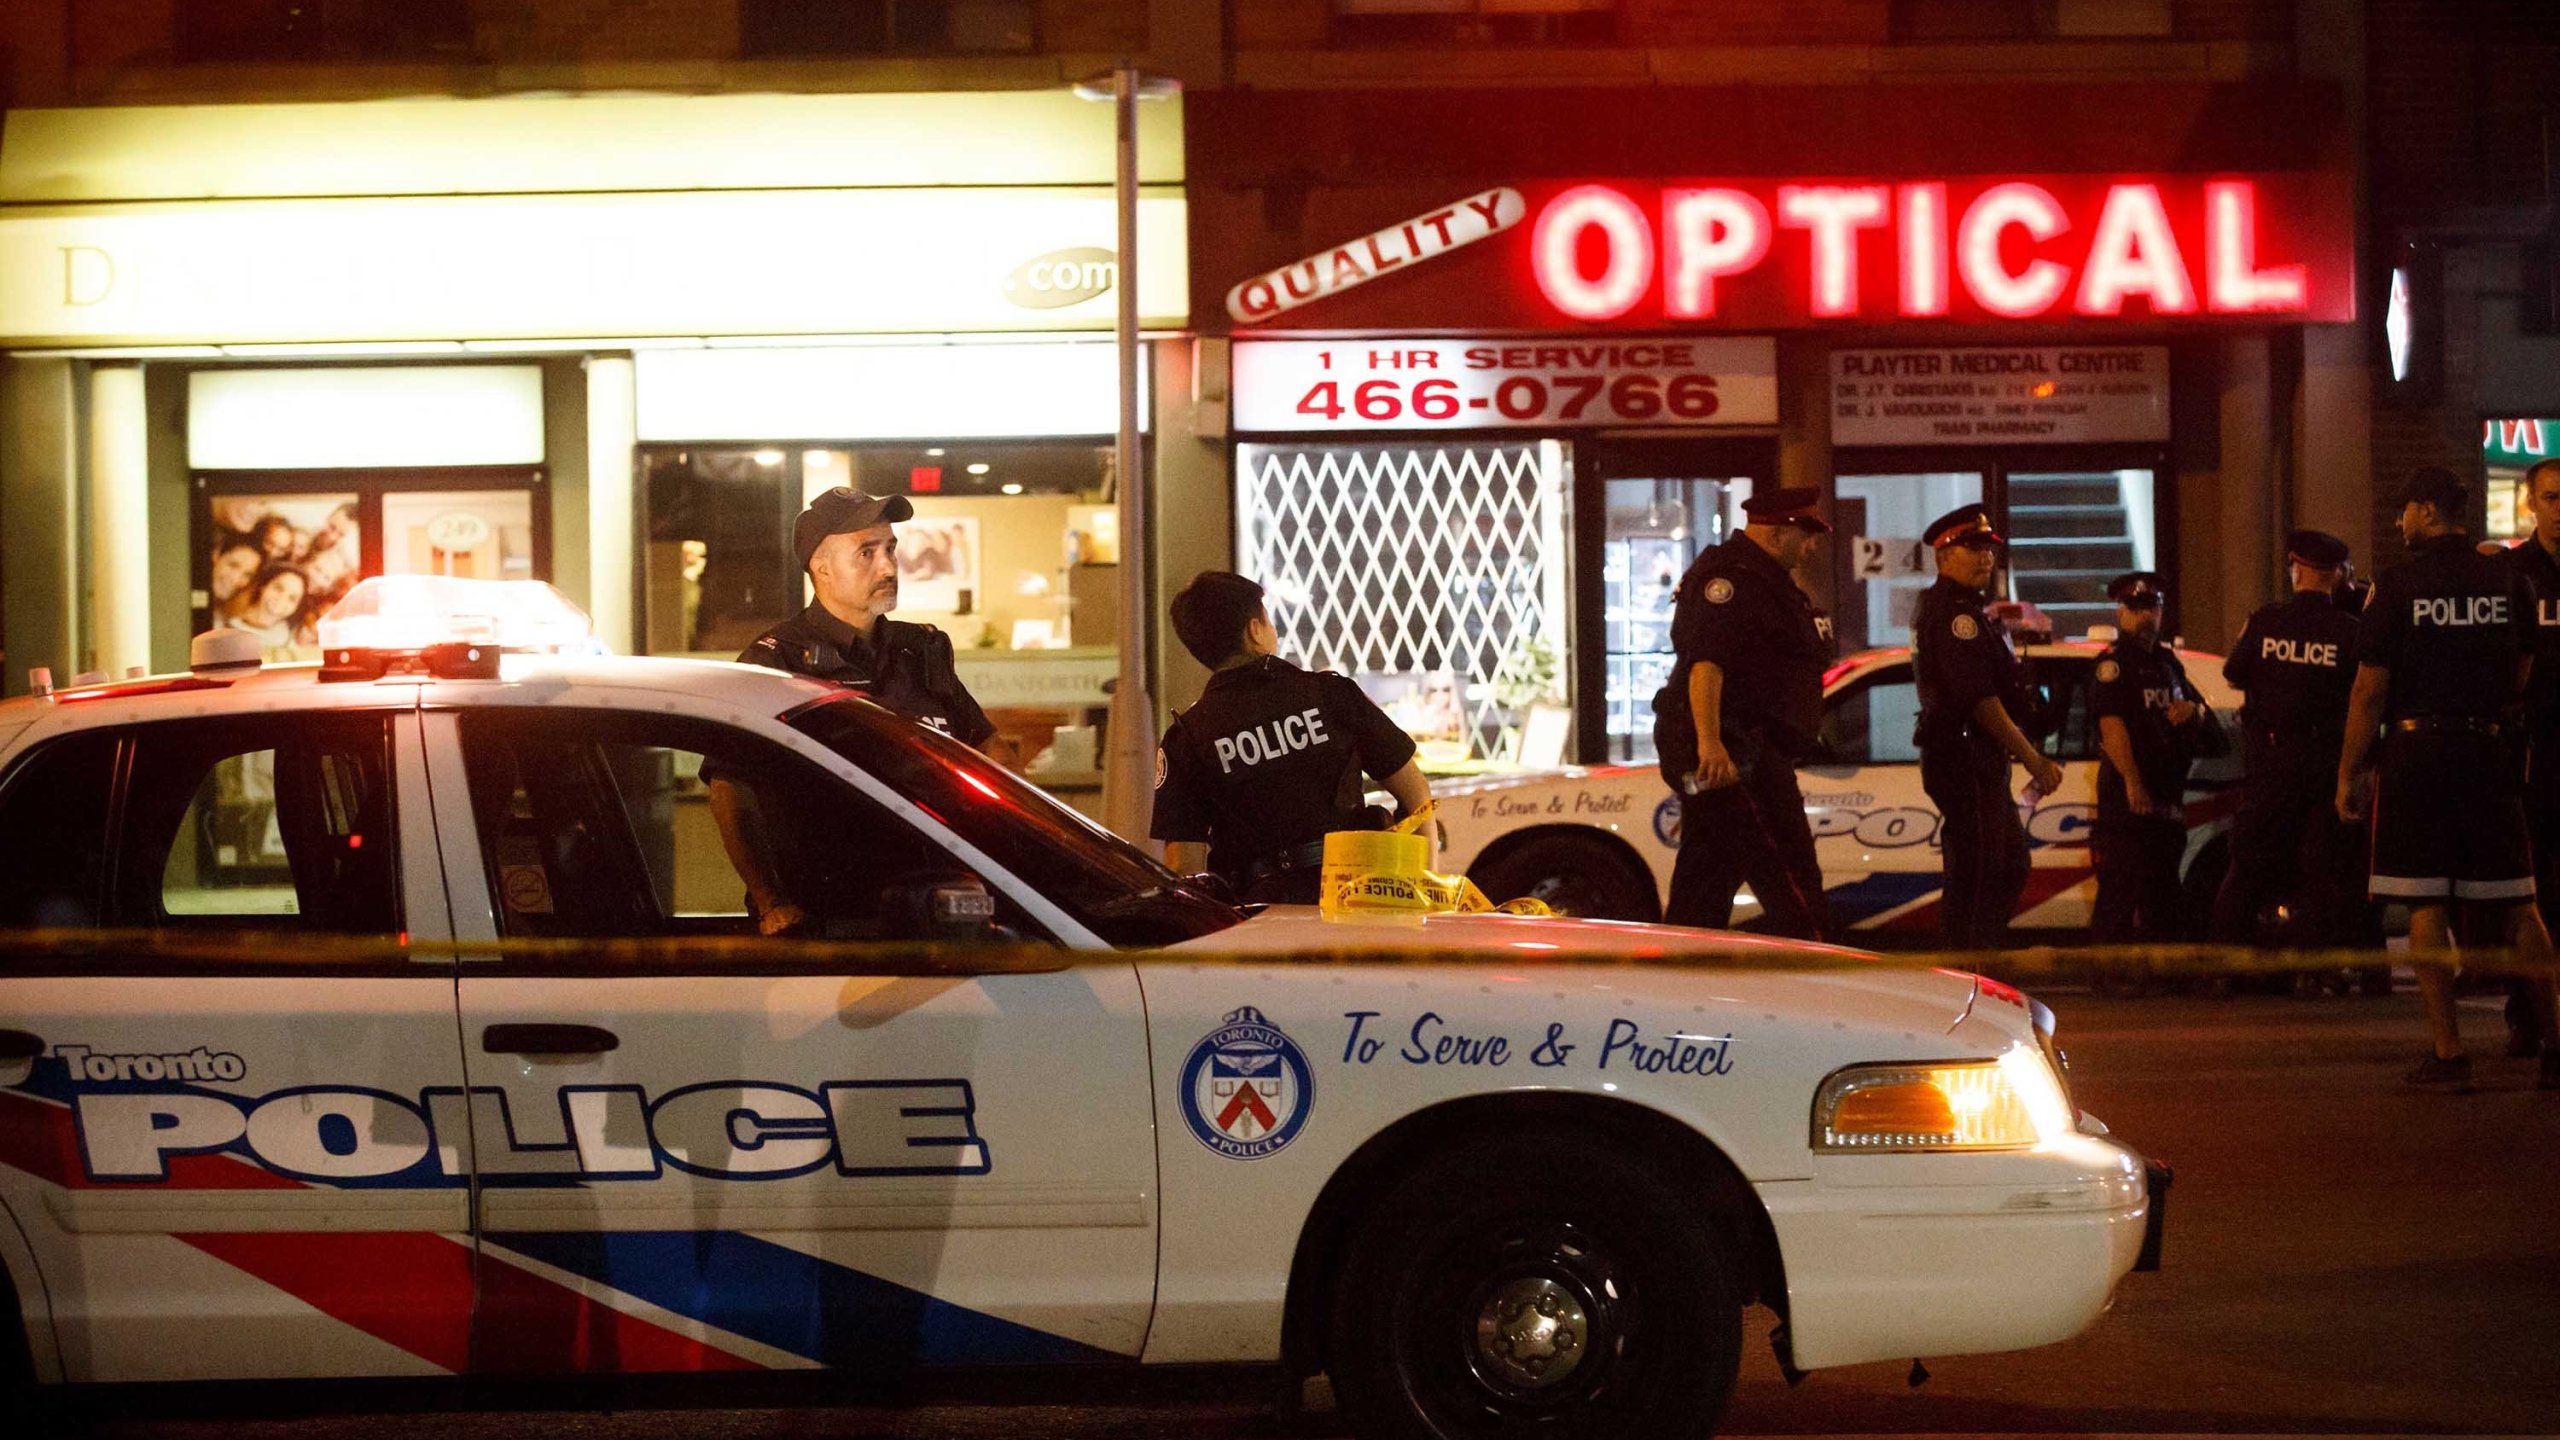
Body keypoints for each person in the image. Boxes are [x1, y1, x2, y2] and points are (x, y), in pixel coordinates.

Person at [2334, 466, 2560, 1090]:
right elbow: (2523, 664)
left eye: (2406, 509)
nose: (2400, 521)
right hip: (2490, 753)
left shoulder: (2399, 586)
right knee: (2519, 902)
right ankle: (2558, 1048)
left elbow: (2369, 689)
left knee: (2426, 901)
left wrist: (2350, 771)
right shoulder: (2506, 578)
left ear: (2429, 511)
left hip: (2419, 756)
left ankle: (2449, 1052)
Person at [717, 487, 995, 935]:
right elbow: (731, 791)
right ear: (820, 567)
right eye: (866, 552)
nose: (887, 567)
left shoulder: (919, 650)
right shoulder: (777, 660)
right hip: (828, 922)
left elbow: (987, 752)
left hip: (931, 912)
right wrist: (773, 903)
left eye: (889, 549)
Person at [1152, 571, 1433, 904]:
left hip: (1260, 916)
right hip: (1353, 898)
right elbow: (1417, 795)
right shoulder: (1331, 694)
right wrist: (1426, 889)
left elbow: (1185, 868)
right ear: (1254, 631)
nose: (1274, 631)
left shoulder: (1185, 737)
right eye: (1269, 621)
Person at [1652, 487, 1839, 939]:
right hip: (1740, 754)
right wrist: (1711, 743)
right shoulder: (1734, 579)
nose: (1811, 546)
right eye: (1806, 536)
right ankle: (1821, 979)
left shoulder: (1765, 578)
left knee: (1707, 877)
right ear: (1779, 534)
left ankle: (1680, 974)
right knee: (1790, 873)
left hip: (1747, 748)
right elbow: (1706, 665)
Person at [2211, 531, 2373, 968]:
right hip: (2326, 764)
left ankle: (2223, 967)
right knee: (2322, 871)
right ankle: (2315, 970)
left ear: (2295, 570)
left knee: (2248, 864)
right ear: (2337, 576)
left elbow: (2234, 674)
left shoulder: (2265, 622)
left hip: (2271, 762)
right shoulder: (2350, 632)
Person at [1911, 505, 2065, 951]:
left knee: (2007, 866)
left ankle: (1980, 963)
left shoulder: (1970, 611)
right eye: (1972, 548)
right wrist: (2033, 758)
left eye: (1988, 550)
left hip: (1979, 761)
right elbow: (1979, 700)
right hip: (1963, 759)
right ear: (1943, 557)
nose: (1984, 558)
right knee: (1977, 875)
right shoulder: (1952, 614)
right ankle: (1966, 973)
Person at [2089, 571, 2211, 954]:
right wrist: (2132, 782)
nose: (2145, 615)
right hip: (2130, 800)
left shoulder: (2167, 663)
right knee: (2120, 889)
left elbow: (2200, 707)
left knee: (2163, 890)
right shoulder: (2113, 665)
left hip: (2167, 794)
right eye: (2136, 607)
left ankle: (2164, 974)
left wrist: (2191, 710)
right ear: (2120, 612)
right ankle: (2110, 973)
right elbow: (2112, 727)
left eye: (2151, 607)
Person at [2499, 457, 2560, 1056]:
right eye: (2551, 498)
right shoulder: (2515, 574)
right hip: (2533, 755)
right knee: (2530, 892)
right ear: (2531, 504)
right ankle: (2529, 1014)